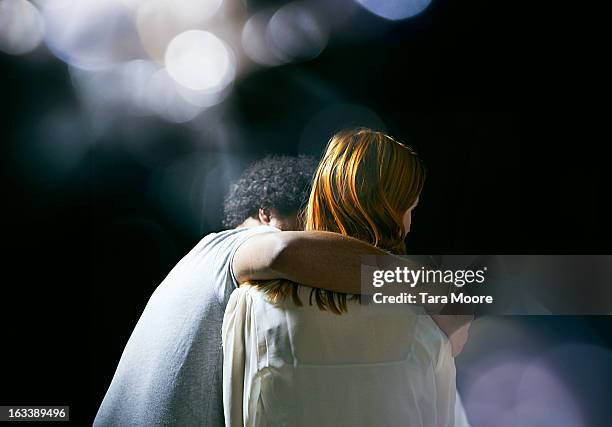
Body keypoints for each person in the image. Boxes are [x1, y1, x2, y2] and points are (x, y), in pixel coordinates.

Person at [222, 129, 462, 427]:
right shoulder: (427, 325)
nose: (410, 225)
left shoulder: (249, 305)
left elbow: (236, 416)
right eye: (409, 209)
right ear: (390, 213)